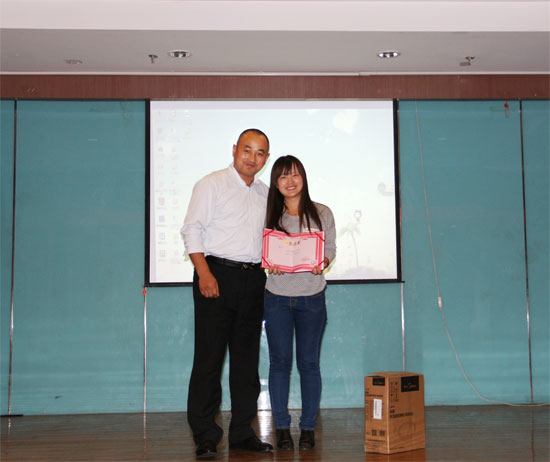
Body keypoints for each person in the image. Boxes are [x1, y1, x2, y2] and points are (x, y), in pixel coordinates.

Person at [181, 129, 273, 460]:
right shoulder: (212, 184)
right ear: (234, 150)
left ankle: (242, 433)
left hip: (254, 280)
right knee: (209, 360)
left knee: (246, 363)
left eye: (260, 153)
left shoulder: (265, 193)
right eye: (247, 150)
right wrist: (204, 272)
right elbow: (191, 229)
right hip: (216, 276)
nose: (252, 158)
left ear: (266, 159)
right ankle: (205, 435)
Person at [263, 155, 336, 451]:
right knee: (279, 364)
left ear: (303, 177)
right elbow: (261, 250)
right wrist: (269, 262)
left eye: (294, 174)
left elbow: (330, 248)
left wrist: (323, 261)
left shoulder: (322, 212)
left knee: (309, 364)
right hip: (277, 297)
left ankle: (307, 429)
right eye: (283, 176)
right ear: (275, 183)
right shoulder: (269, 215)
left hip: (312, 297)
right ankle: (282, 428)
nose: (290, 181)